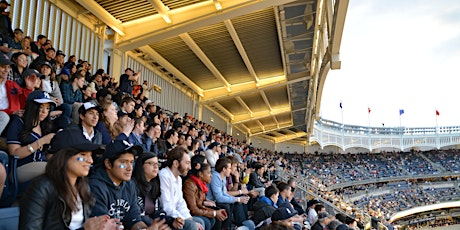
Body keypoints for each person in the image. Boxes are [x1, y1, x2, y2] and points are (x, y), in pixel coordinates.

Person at [18, 126, 118, 229]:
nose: (90, 161)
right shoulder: (41, 188)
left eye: (90, 155)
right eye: (83, 155)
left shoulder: (84, 187)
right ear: (64, 157)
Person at [89, 140, 170, 230]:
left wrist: (144, 229)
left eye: (131, 162)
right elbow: (104, 227)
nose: (129, 168)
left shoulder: (130, 184)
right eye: (123, 162)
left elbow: (134, 219)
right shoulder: (96, 187)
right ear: (108, 163)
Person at [7, 90, 56, 183]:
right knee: (53, 169)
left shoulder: (44, 126)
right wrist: (40, 142)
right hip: (21, 168)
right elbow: (14, 153)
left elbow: (45, 154)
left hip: (41, 163)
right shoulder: (18, 123)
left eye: (48, 108)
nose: (44, 111)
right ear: (32, 107)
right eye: (41, 107)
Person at [159, 146, 205, 230]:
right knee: (192, 225)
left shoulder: (179, 179)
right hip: (166, 218)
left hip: (176, 215)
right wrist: (186, 219)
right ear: (176, 163)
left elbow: (181, 203)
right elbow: (167, 207)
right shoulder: (164, 175)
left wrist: (189, 218)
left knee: (199, 221)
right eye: (187, 163)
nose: (190, 167)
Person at [183, 158, 227, 230]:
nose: (211, 175)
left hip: (198, 209)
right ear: (200, 174)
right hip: (189, 213)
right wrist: (214, 213)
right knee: (207, 221)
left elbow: (200, 203)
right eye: (209, 173)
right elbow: (193, 209)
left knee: (216, 215)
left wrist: (214, 212)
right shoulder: (189, 185)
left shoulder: (202, 184)